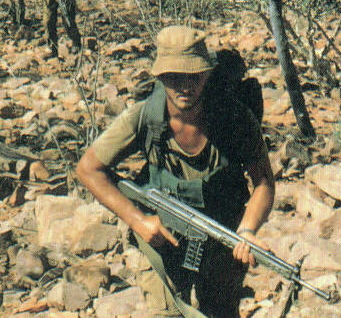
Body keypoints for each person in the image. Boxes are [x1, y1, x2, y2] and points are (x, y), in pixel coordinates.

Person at [76, 25, 275, 318]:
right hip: (163, 241)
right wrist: (139, 220)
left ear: (207, 74)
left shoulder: (234, 118)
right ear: (159, 77)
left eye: (194, 76)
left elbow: (264, 183)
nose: (185, 86)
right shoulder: (144, 117)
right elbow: (88, 169)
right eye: (174, 78)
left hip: (221, 239)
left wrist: (247, 231)